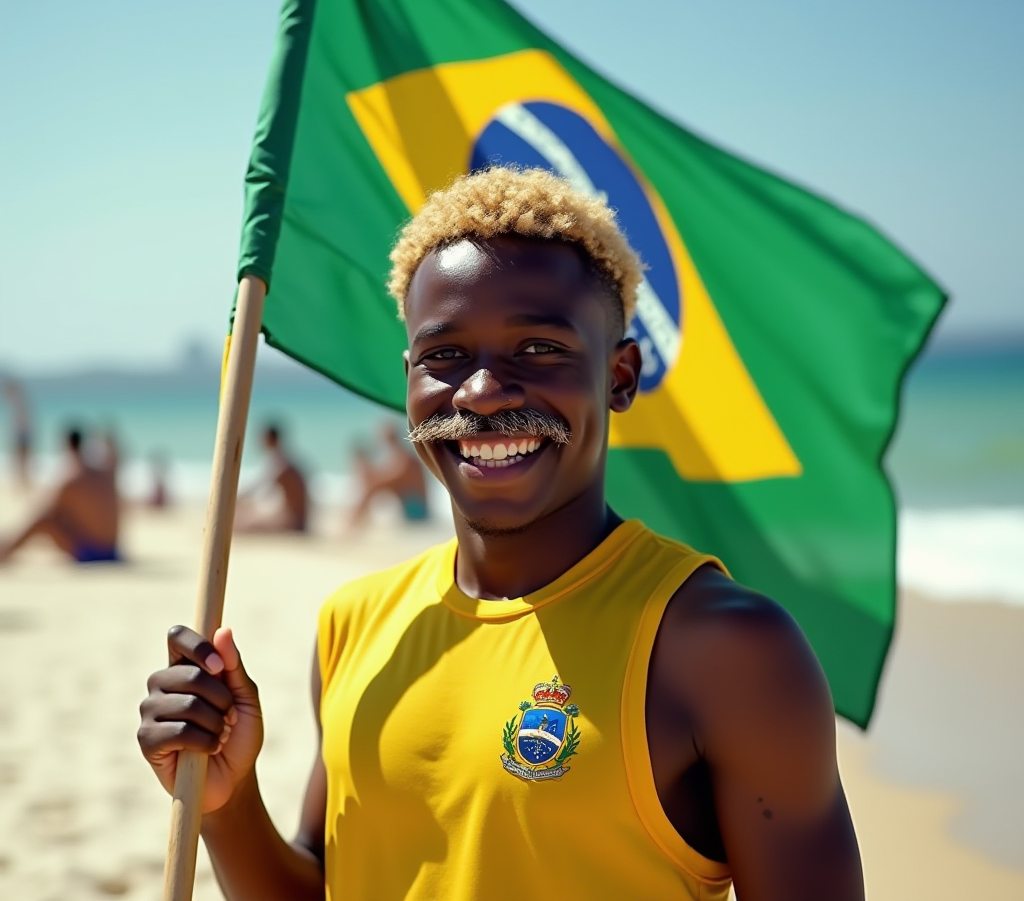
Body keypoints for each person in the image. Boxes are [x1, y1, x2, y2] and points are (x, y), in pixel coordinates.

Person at [138, 168, 863, 900]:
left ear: (619, 376)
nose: (482, 392)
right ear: (410, 378)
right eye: (444, 357)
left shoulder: (723, 648)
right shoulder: (355, 623)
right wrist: (225, 803)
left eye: (539, 349)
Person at [0, 427, 120, 564]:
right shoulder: (102, 472)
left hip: (94, 554)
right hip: (114, 551)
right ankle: (6, 545)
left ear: (67, 445)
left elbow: (46, 510)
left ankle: (4, 551)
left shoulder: (73, 478)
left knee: (44, 521)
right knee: (60, 515)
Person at [346, 422, 430, 529]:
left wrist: (367, 467)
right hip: (412, 511)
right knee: (373, 487)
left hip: (418, 512)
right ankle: (355, 521)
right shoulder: (398, 457)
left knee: (373, 487)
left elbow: (388, 478)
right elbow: (380, 475)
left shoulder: (406, 460)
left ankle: (352, 523)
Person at [234, 423, 308, 533]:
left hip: (294, 522)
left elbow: (258, 487)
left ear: (270, 438)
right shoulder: (284, 458)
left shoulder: (279, 463)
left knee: (242, 525)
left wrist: (234, 499)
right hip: (298, 518)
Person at [3, 378, 32, 488]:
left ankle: (24, 483)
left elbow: (24, 423)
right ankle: (23, 482)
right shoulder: (18, 402)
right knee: (21, 461)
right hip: (22, 436)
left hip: (22, 436)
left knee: (22, 461)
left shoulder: (19, 402)